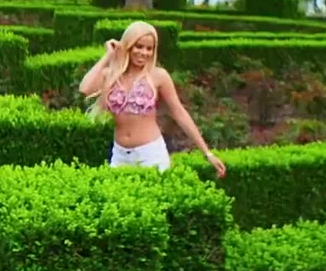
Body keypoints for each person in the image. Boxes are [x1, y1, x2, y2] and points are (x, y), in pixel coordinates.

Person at [78, 20, 226, 177]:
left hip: (150, 155)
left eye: (149, 48)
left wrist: (207, 153)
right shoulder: (112, 75)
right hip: (120, 155)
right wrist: (108, 56)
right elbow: (85, 89)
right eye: (139, 46)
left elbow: (179, 113)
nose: (144, 53)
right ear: (128, 45)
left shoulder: (158, 76)